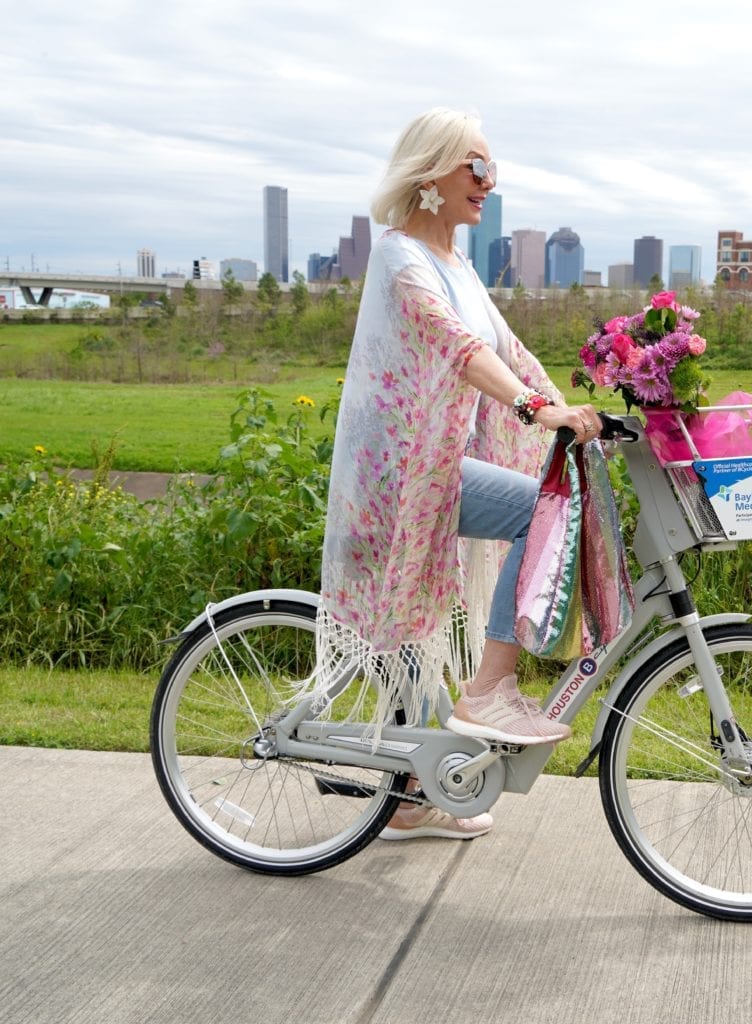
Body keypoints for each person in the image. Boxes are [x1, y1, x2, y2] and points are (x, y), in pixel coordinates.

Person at [315, 108, 602, 840]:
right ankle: (489, 691)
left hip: (434, 466)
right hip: (399, 475)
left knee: (416, 647)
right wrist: (536, 409)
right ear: (431, 173)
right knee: (540, 511)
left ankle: (411, 798)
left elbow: (507, 349)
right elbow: (458, 348)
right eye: (475, 166)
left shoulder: (460, 265)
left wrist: (566, 406)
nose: (489, 180)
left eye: (491, 168)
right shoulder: (400, 256)